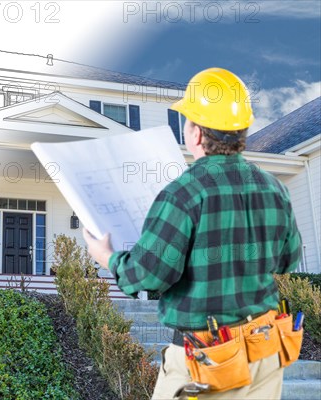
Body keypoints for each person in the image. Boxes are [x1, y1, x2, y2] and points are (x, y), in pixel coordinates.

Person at [83, 67, 302, 400]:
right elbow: (287, 260)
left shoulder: (184, 194)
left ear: (197, 133)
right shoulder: (274, 189)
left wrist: (106, 256)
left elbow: (147, 275)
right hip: (265, 349)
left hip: (207, 360)